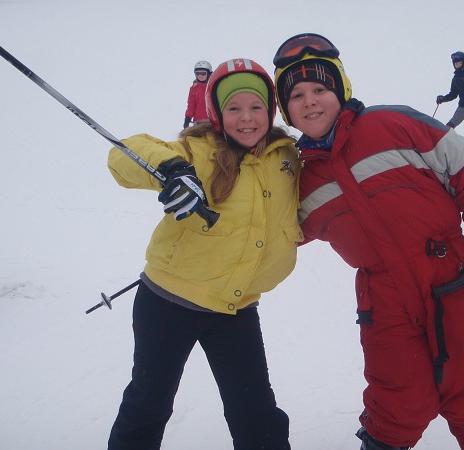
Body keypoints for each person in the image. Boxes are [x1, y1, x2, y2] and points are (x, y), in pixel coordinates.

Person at [273, 33, 464, 450]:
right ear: (286, 109)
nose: (310, 101)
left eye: (319, 88)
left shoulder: (392, 124)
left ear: (340, 89)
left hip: (453, 281)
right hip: (384, 302)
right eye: (296, 95)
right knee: (395, 400)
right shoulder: (302, 181)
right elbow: (274, 232)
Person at [107, 58, 302, 450]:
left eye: (255, 107)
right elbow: (124, 155)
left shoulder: (288, 159)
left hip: (236, 308)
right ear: (216, 113)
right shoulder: (198, 151)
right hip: (167, 304)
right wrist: (172, 169)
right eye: (233, 108)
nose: (246, 118)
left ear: (271, 110)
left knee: (257, 414)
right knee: (149, 404)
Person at [183, 60, 212, 129]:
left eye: (203, 73)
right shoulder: (194, 88)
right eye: (197, 73)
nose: (200, 76)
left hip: (212, 122)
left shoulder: (213, 86)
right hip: (198, 122)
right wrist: (187, 118)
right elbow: (191, 105)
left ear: (209, 74)